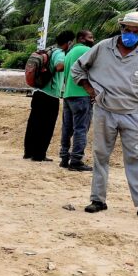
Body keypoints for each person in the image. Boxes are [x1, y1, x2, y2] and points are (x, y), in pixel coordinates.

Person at [71, 11, 138, 221]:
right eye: (127, 29)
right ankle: (98, 200)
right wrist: (88, 88)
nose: (130, 34)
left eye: (135, 31)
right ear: (121, 28)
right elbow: (77, 68)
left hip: (134, 114)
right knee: (100, 156)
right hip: (104, 111)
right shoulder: (104, 47)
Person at [23, 30, 74, 161]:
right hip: (50, 95)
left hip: (38, 92)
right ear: (69, 42)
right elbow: (59, 66)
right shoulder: (60, 53)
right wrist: (71, 62)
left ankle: (28, 152)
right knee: (46, 126)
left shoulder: (50, 50)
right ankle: (39, 155)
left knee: (33, 123)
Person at [59, 30, 95, 171]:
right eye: (90, 37)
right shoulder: (87, 50)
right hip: (81, 94)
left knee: (67, 128)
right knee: (81, 129)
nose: (93, 39)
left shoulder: (69, 53)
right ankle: (76, 161)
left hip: (68, 95)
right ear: (82, 38)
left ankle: (64, 158)